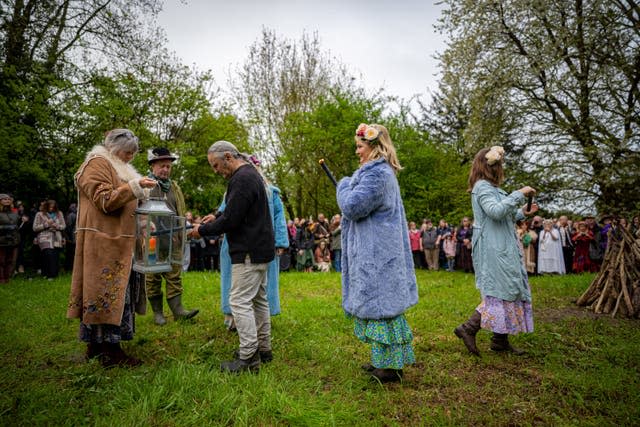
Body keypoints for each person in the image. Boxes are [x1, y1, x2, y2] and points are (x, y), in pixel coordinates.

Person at [67, 128, 157, 367]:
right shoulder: (96, 164)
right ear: (113, 148)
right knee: (105, 293)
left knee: (117, 295)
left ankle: (100, 347)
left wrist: (144, 209)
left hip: (120, 241)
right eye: (126, 152)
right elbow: (104, 200)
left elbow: (125, 201)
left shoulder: (120, 169)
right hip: (103, 242)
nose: (129, 157)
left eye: (132, 154)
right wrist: (134, 188)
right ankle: (108, 349)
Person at [337, 123, 418, 383]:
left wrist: (343, 184)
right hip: (378, 251)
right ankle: (384, 361)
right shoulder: (378, 173)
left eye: (360, 147)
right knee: (381, 309)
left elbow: (352, 206)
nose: (358, 152)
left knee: (383, 309)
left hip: (378, 254)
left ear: (374, 147)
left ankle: (390, 369)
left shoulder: (377, 175)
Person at [192, 140, 275, 374]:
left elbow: (232, 220)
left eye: (216, 165)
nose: (216, 171)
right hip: (260, 248)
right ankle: (264, 348)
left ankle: (249, 356)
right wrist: (215, 215)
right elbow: (234, 208)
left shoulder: (242, 178)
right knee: (258, 300)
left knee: (239, 301)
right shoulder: (249, 175)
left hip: (248, 250)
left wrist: (202, 230)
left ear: (228, 157)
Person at [454, 146, 537, 357]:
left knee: (508, 287)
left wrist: (522, 213)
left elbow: (503, 215)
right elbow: (495, 211)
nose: (502, 168)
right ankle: (469, 328)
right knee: (499, 291)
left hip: (501, 244)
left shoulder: (493, 189)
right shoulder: (482, 187)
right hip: (492, 247)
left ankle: (500, 340)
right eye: (499, 164)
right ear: (491, 166)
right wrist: (519, 194)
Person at [217, 154, 289, 331]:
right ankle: (232, 317)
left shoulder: (271, 192)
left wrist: (280, 242)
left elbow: (279, 218)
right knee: (233, 282)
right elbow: (225, 213)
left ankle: (257, 328)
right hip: (235, 243)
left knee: (261, 289)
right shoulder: (234, 188)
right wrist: (214, 219)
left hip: (262, 241)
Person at [144, 147, 199, 326]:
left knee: (174, 274)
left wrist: (181, 232)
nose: (166, 170)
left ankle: (178, 311)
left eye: (168, 166)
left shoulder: (174, 187)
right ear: (152, 165)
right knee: (152, 276)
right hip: (151, 240)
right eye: (162, 166)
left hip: (173, 240)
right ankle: (158, 313)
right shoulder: (145, 186)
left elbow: (180, 211)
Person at [32, 199, 66, 279]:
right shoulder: (39, 214)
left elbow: (63, 226)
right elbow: (35, 228)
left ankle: (52, 274)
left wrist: (56, 226)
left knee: (55, 255)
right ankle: (49, 274)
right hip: (44, 237)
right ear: (46, 206)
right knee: (48, 254)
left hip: (57, 237)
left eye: (53, 207)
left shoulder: (59, 213)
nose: (51, 208)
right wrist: (46, 224)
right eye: (50, 207)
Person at [0, 193, 21, 284]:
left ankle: (7, 278)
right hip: (1, 239)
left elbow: (18, 225)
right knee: (1, 260)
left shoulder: (15, 212)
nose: (7, 200)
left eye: (8, 199)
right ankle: (1, 279)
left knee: (10, 260)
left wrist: (24, 219)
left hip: (13, 239)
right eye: (4, 199)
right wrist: (5, 228)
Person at [65, 203, 77, 272]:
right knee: (71, 253)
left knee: (72, 253)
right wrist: (69, 238)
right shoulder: (71, 215)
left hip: (74, 237)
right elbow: (69, 227)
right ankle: (68, 268)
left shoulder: (75, 214)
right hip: (72, 237)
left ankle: (71, 268)